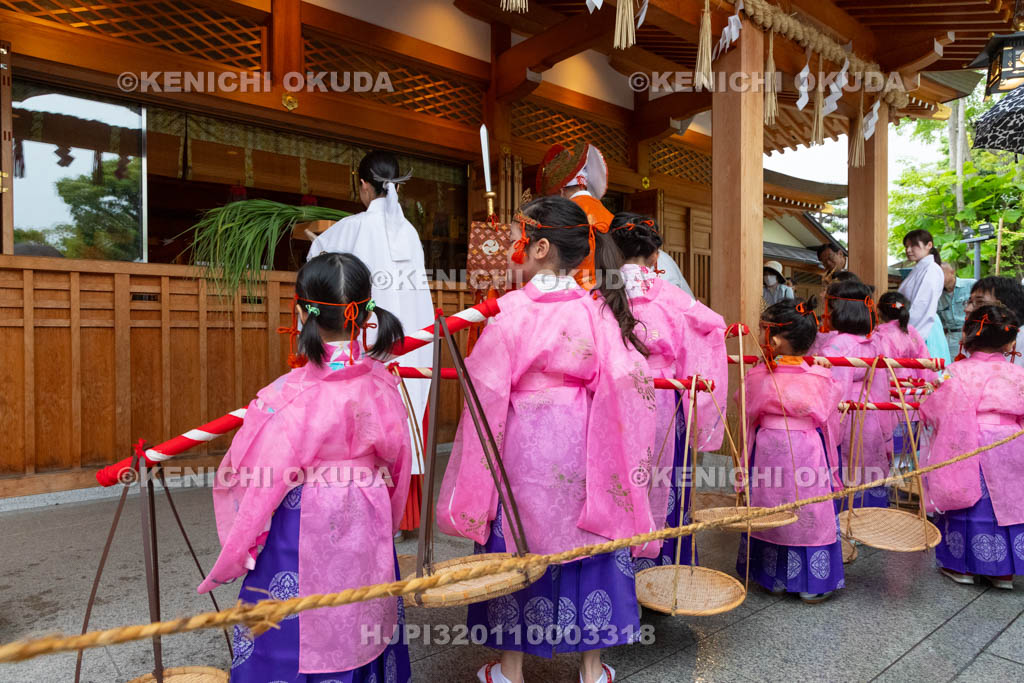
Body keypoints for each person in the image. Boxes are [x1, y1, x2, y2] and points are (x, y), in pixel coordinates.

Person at [438, 197, 656, 683]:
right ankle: (592, 669)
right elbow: (627, 381)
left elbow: (487, 389)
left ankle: (511, 669)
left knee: (519, 537)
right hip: (584, 435)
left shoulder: (512, 311)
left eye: (519, 238)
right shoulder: (599, 309)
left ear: (539, 247)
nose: (515, 247)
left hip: (523, 439)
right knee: (590, 532)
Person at [198, 253, 412, 682]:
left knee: (297, 622)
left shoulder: (285, 395)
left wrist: (244, 543)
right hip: (367, 505)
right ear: (368, 313)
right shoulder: (384, 381)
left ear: (300, 313)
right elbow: (399, 464)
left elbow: (252, 479)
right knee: (362, 610)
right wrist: (383, 515)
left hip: (302, 519)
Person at [308, 150, 434, 533]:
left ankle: (375, 515)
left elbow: (320, 266)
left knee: (368, 425)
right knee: (406, 415)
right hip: (413, 339)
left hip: (369, 340)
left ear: (363, 184)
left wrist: (318, 240)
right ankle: (408, 515)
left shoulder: (352, 227)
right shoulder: (409, 231)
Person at [609, 212, 728, 571]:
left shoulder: (599, 293)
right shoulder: (672, 296)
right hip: (664, 396)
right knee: (663, 477)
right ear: (656, 255)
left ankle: (617, 572)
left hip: (613, 396)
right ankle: (662, 569)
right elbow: (713, 327)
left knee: (617, 478)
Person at [737, 298, 844, 604]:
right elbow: (832, 402)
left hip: (769, 447)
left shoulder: (759, 374)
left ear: (774, 339)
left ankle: (774, 576)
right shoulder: (820, 376)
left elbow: (742, 402)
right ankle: (812, 581)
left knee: (771, 504)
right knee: (808, 507)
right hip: (808, 446)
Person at [920, 304, 1024, 589]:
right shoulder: (1019, 375)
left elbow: (932, 407)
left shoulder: (954, 371)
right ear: (1010, 342)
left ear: (967, 334)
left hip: (967, 442)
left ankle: (961, 567)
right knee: (1009, 505)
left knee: (968, 501)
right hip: (1011, 441)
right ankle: (1003, 572)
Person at [816, 280, 892, 509]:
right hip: (868, 411)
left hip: (845, 414)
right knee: (866, 470)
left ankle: (845, 522)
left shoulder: (839, 345)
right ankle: (868, 520)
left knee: (844, 469)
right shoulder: (873, 341)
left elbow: (833, 390)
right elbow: (881, 385)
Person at [874, 292, 931, 468]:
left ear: (878, 312)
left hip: (890, 394)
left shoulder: (879, 334)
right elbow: (925, 365)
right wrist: (926, 394)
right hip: (912, 394)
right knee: (907, 449)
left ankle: (892, 485)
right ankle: (904, 482)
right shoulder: (911, 332)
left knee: (890, 449)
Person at [898, 229, 951, 365]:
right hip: (914, 322)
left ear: (929, 245)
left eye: (913, 245)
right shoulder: (920, 269)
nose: (908, 250)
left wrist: (909, 335)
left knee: (925, 375)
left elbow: (922, 305)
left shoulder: (931, 269)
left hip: (924, 326)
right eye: (906, 246)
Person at [964, 276, 1024, 366]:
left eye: (979, 302)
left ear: (1008, 309)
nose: (967, 309)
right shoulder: (973, 337)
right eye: (969, 302)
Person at [937, 263, 975, 361]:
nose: (939, 278)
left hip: (973, 334)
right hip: (952, 339)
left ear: (952, 273)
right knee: (953, 368)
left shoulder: (971, 284)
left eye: (941, 274)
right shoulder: (937, 295)